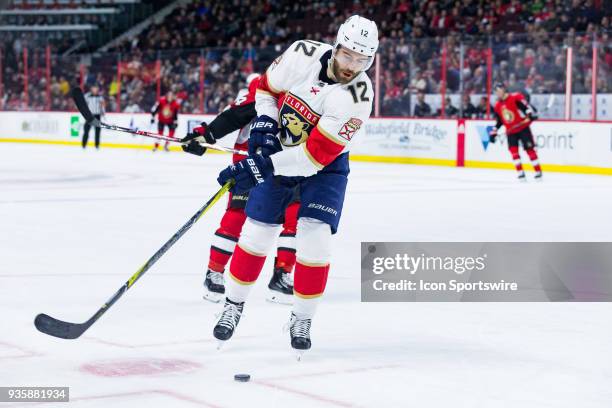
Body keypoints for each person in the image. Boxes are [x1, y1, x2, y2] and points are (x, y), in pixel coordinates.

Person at [211, 15, 378, 356]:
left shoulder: (357, 97)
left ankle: (302, 318)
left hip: (325, 168)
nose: (352, 66)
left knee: (315, 238)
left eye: (362, 60)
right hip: (282, 155)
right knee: (257, 233)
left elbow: (314, 157)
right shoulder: (301, 54)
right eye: (348, 56)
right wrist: (264, 124)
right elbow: (265, 90)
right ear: (337, 45)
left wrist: (260, 165)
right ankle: (233, 304)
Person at [181, 74, 298, 304]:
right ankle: (214, 272)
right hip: (250, 163)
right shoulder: (265, 87)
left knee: (296, 216)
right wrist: (205, 136)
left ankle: (282, 274)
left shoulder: (309, 89)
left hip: (286, 165)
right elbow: (233, 114)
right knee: (236, 215)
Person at [489, 83, 542, 181]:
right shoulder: (497, 105)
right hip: (511, 132)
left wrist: (530, 115)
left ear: (504, 89)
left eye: (499, 90)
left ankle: (538, 172)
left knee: (530, 150)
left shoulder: (515, 98)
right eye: (496, 91)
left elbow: (526, 108)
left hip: (523, 128)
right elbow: (500, 121)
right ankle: (520, 173)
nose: (498, 93)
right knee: (514, 153)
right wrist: (494, 132)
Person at [82, 85, 105, 149]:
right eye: (93, 88)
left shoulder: (100, 97)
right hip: (90, 115)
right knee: (86, 130)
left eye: (96, 88)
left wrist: (103, 112)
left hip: (97, 115)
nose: (95, 89)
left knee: (97, 131)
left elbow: (102, 105)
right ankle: (84, 145)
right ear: (91, 88)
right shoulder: (87, 96)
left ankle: (97, 145)